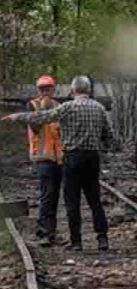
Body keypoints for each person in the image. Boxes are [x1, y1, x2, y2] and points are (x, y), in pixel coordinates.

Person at [3, 76, 115, 251]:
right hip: (92, 158)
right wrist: (107, 148)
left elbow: (43, 117)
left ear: (72, 90)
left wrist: (17, 116)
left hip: (71, 157)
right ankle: (102, 239)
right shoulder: (99, 108)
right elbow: (108, 136)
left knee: (72, 201)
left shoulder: (66, 107)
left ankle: (77, 242)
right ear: (88, 90)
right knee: (94, 200)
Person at [27, 75, 64, 247]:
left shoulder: (59, 107)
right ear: (38, 90)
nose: (45, 91)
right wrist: (43, 110)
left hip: (57, 158)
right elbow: (34, 127)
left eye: (47, 88)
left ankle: (51, 231)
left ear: (53, 89)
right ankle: (44, 232)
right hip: (43, 157)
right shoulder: (32, 105)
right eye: (42, 89)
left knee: (54, 195)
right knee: (47, 196)